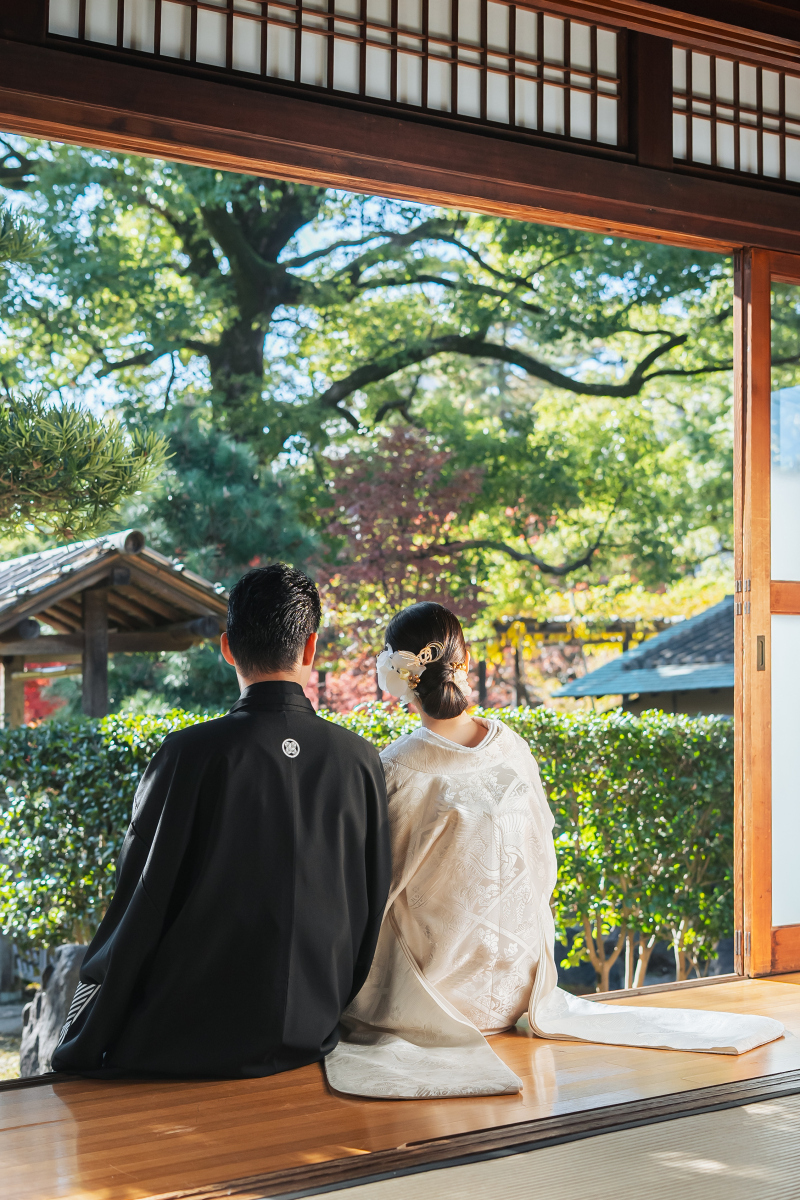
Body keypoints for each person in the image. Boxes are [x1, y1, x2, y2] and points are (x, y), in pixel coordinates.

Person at [325, 602, 784, 1100]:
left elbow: (369, 890)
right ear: (466, 659)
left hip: (437, 1000)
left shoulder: (397, 768)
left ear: (399, 673)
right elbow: (540, 862)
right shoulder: (511, 747)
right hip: (516, 992)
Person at [53, 565, 390, 1079]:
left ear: (228, 647)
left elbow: (139, 905)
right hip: (313, 1034)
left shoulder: (190, 753)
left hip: (188, 1040)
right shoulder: (360, 760)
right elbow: (369, 908)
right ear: (310, 650)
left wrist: (84, 1036)